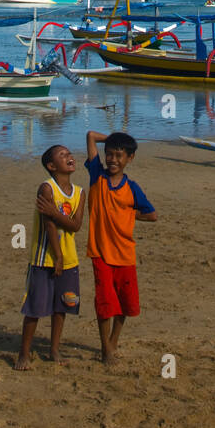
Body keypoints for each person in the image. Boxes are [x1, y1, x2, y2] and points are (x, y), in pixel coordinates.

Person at [83, 130, 156, 364]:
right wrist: (114, 139)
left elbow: (152, 215)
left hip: (125, 254)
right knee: (105, 304)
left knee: (125, 304)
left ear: (130, 159)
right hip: (101, 253)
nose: (113, 159)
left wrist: (130, 214)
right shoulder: (97, 176)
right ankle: (105, 348)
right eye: (110, 154)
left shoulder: (132, 188)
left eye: (119, 155)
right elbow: (91, 135)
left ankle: (113, 342)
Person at [15, 145, 84, 367]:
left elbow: (75, 226)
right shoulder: (46, 189)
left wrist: (55, 212)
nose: (69, 157)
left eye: (69, 154)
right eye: (62, 155)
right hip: (44, 258)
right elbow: (49, 227)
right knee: (35, 308)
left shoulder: (80, 193)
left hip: (69, 258)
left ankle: (54, 350)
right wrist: (57, 257)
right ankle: (24, 353)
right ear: (52, 166)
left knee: (61, 306)